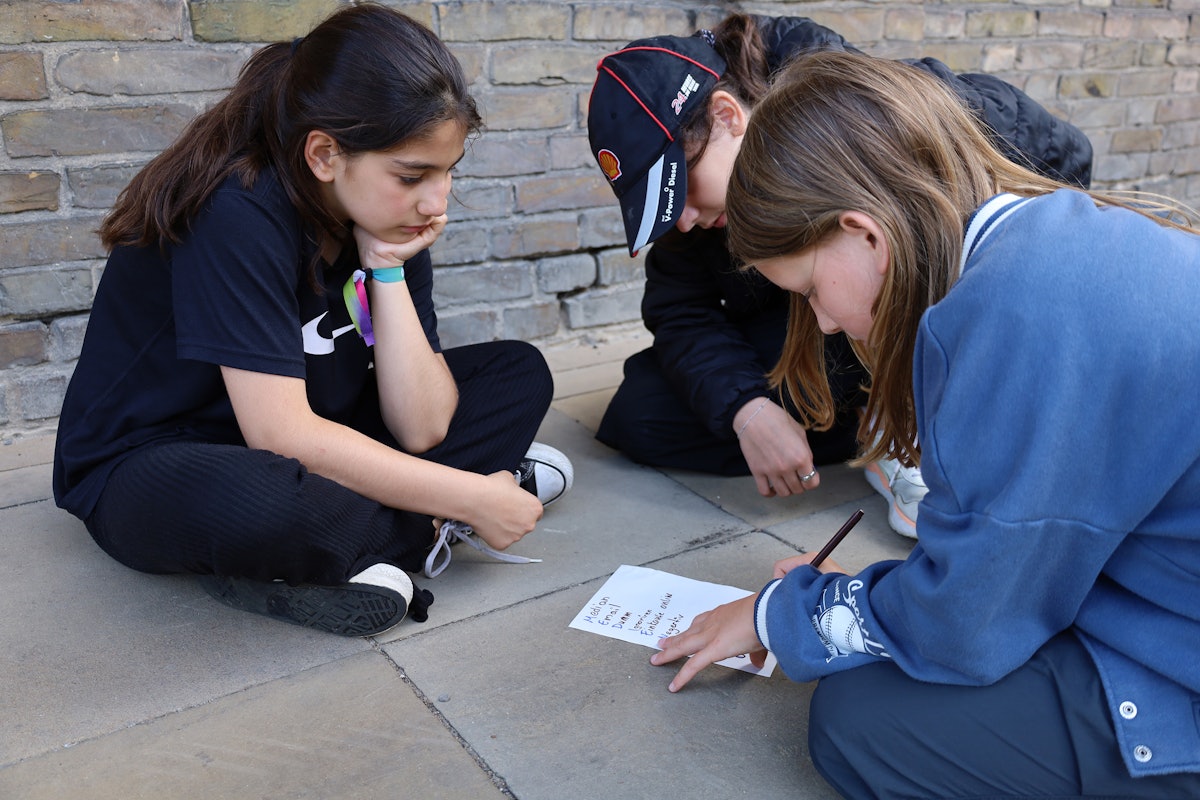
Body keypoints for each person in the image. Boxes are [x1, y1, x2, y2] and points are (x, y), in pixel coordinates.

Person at [649, 49, 1200, 799]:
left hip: (1175, 669)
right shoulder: (1048, 240)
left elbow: (968, 625)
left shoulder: (1010, 316)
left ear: (864, 234)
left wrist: (783, 615)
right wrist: (898, 596)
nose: (825, 323)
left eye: (810, 289)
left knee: (863, 718)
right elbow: (1018, 548)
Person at [52, 4, 573, 638]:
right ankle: (433, 521)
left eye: (447, 172)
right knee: (268, 503)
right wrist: (470, 497)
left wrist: (385, 271)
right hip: (166, 460)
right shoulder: (237, 214)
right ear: (325, 154)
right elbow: (283, 436)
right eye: (413, 175)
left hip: (315, 420)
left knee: (517, 372)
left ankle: (363, 541)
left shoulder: (388, 220)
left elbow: (424, 426)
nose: (436, 204)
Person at [586, 13, 1093, 537]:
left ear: (727, 117)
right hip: (809, 329)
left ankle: (909, 414)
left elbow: (1060, 163)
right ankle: (867, 424)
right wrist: (749, 410)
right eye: (665, 208)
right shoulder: (695, 215)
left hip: (910, 308)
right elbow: (679, 308)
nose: (684, 220)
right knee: (642, 409)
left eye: (682, 188)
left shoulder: (886, 113)